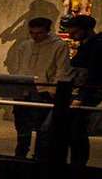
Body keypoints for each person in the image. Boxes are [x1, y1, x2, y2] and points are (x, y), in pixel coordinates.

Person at [60, 15, 102, 167]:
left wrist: (81, 96)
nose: (71, 35)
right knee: (72, 129)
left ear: (86, 29)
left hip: (86, 92)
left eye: (74, 31)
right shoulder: (87, 45)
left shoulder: (99, 46)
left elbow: (96, 74)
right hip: (80, 91)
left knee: (76, 130)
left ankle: (78, 163)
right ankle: (75, 162)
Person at [5, 16, 70, 158]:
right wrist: (17, 87)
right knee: (22, 125)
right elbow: (19, 67)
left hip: (43, 91)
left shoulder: (59, 46)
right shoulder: (25, 45)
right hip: (24, 90)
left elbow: (62, 70)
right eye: (32, 33)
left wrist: (53, 90)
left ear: (48, 31)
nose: (35, 36)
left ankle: (39, 156)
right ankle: (20, 154)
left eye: (39, 33)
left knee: (42, 129)